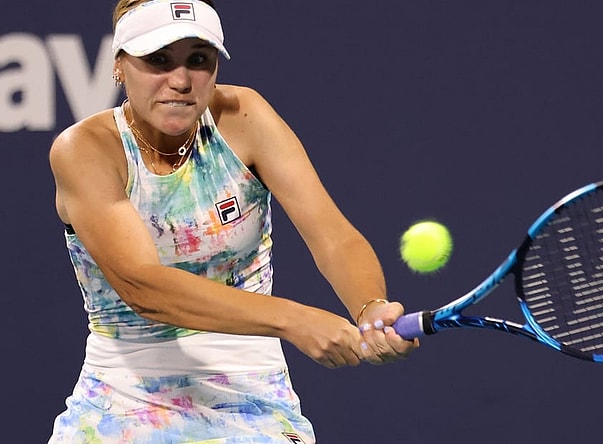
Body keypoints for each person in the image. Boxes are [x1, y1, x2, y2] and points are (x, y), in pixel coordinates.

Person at [47, 0, 418, 442]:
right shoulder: (85, 149)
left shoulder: (246, 116)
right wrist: (292, 319)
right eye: (158, 60)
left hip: (252, 393)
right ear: (119, 66)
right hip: (123, 398)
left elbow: (333, 237)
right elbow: (143, 287)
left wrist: (369, 307)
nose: (181, 80)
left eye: (198, 60)